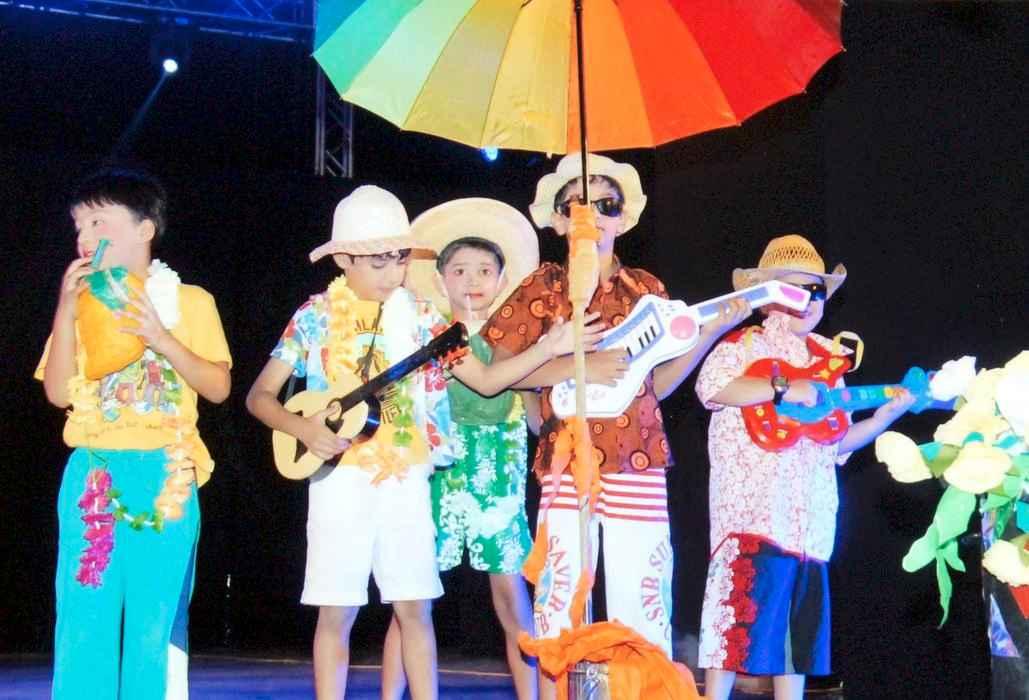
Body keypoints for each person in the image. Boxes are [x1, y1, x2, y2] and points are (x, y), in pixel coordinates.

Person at [245, 186, 601, 700]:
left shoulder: (425, 318)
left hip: (407, 476)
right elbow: (259, 396)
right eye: (379, 261)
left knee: (414, 606)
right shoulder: (315, 316)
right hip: (338, 479)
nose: (393, 272)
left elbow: (485, 380)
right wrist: (303, 429)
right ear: (343, 259)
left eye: (399, 258)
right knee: (337, 611)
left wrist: (549, 347)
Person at [480, 153, 749, 697]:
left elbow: (658, 385)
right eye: (577, 205)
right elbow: (498, 374)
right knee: (560, 599)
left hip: (636, 456)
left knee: (643, 598)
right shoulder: (541, 287)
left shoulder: (646, 289)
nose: (592, 216)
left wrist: (709, 334)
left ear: (623, 219)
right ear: (558, 221)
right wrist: (577, 365)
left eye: (605, 205)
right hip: (567, 459)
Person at [36, 167, 232, 699]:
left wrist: (161, 338)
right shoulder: (83, 306)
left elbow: (218, 387)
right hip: (94, 473)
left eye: (99, 221)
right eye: (79, 225)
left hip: (166, 474)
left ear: (145, 229)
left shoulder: (190, 301)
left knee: (155, 620)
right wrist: (66, 309)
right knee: (84, 615)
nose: (84, 236)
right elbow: (57, 392)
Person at [694, 234, 917, 700]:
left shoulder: (830, 361)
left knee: (797, 642)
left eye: (815, 291)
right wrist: (781, 388)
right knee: (732, 630)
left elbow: (839, 443)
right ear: (767, 296)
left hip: (810, 526)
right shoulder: (741, 346)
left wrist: (884, 416)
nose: (808, 300)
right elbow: (710, 388)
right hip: (752, 517)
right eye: (794, 289)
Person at [381, 199, 544, 700]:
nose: (472, 280)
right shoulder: (427, 334)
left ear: (502, 278)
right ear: (441, 279)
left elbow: (533, 411)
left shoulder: (517, 340)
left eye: (485, 270)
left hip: (500, 467)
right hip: (439, 467)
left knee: (510, 592)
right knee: (413, 596)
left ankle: (533, 694)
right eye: (459, 270)